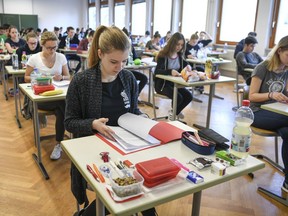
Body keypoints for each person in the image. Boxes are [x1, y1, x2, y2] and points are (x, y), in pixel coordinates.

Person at [64, 25, 157, 216]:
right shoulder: (82, 81)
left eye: (124, 61)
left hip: (127, 148)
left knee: (145, 186)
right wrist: (92, 124)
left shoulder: (128, 78)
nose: (119, 67)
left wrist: (144, 121)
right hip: (96, 151)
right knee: (119, 190)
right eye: (114, 61)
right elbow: (69, 122)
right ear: (100, 53)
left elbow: (133, 112)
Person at [249, 35, 288, 193]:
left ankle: (287, 182)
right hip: (257, 112)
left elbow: (286, 92)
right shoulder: (262, 67)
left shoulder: (287, 69)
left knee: (287, 132)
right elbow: (252, 96)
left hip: (277, 114)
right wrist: (271, 95)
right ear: (279, 51)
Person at [24, 31, 70, 160]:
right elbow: (26, 77)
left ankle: (58, 143)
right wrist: (38, 77)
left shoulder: (61, 57)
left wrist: (61, 77)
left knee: (61, 109)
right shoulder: (34, 58)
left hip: (57, 95)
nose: (52, 50)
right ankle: (73, 128)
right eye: (49, 47)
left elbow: (68, 76)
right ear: (42, 45)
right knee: (64, 105)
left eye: (54, 47)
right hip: (42, 98)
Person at [154, 32, 193, 120]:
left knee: (189, 96)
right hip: (162, 85)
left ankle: (175, 112)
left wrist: (188, 66)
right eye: (177, 44)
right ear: (172, 43)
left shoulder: (179, 56)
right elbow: (157, 72)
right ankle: (174, 114)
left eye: (182, 45)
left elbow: (186, 65)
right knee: (178, 97)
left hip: (174, 84)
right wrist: (170, 71)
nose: (179, 47)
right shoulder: (163, 55)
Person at [122, 27, 148, 104]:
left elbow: (135, 58)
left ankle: (135, 96)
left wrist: (140, 61)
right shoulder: (119, 48)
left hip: (130, 71)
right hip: (122, 71)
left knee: (144, 78)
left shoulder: (131, 47)